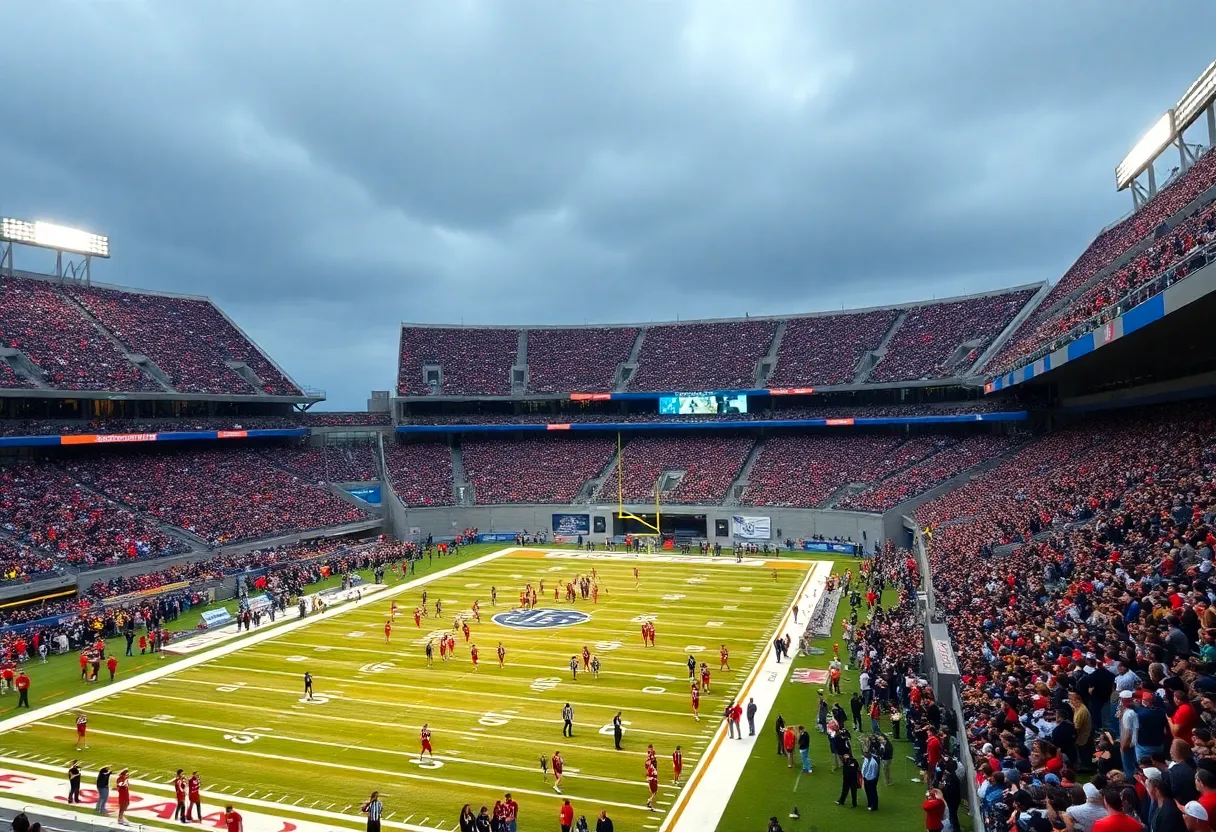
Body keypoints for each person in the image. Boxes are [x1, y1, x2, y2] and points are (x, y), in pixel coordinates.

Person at [861, 746, 880, 811]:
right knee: (867, 791)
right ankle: (869, 803)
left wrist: (871, 779)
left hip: (871, 779)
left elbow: (874, 772)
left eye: (866, 753)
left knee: (873, 792)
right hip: (865, 778)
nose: (864, 755)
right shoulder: (866, 759)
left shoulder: (874, 762)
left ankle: (874, 806)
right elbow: (864, 767)